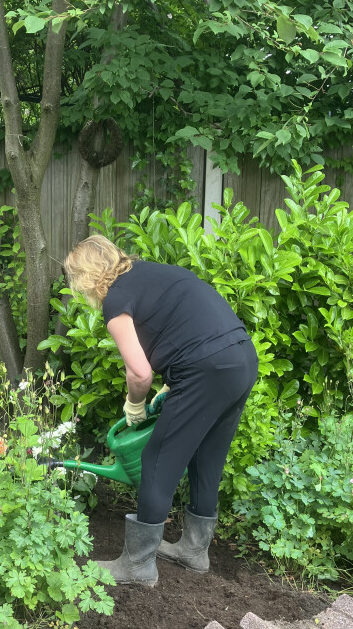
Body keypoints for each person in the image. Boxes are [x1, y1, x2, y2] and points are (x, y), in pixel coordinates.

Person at [63, 234, 258, 587]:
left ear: (86, 278)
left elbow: (139, 372)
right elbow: (188, 327)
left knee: (156, 460)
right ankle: (194, 551)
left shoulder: (116, 299)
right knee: (206, 457)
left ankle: (138, 566)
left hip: (206, 369)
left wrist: (135, 404)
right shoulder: (155, 273)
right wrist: (170, 386)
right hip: (240, 359)